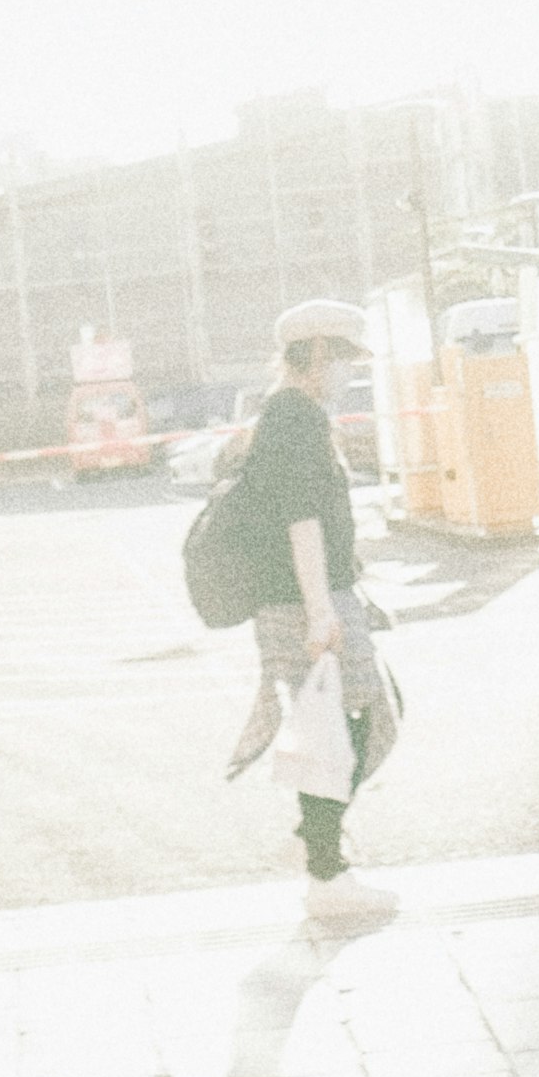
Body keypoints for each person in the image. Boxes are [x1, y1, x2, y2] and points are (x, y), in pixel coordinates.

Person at [221, 296, 397, 885]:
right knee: (345, 728)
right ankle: (325, 866)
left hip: (306, 597)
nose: (351, 373)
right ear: (317, 353)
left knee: (346, 724)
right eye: (345, 359)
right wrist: (321, 610)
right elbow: (302, 519)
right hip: (302, 603)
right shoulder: (294, 417)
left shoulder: (291, 414)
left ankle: (315, 845)